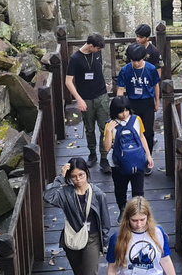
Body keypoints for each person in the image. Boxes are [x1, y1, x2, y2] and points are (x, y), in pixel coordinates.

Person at [43, 157, 110, 275]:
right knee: (78, 272)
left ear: (87, 173)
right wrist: (60, 177)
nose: (78, 179)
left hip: (92, 238)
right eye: (74, 176)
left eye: (81, 175)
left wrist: (104, 243)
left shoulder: (98, 194)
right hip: (72, 236)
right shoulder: (66, 193)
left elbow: (105, 221)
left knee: (90, 272)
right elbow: (48, 196)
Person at [65, 33, 110, 173]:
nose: (99, 51)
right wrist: (78, 98)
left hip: (101, 95)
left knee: (105, 127)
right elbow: (68, 81)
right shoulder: (75, 58)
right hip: (85, 97)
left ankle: (104, 157)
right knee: (89, 128)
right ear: (90, 46)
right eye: (97, 48)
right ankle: (92, 153)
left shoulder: (97, 53)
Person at [103, 96, 154, 220]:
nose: (124, 114)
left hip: (137, 160)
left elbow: (142, 137)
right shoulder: (110, 125)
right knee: (120, 189)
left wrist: (148, 155)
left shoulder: (136, 119)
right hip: (118, 164)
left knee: (138, 191)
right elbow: (106, 148)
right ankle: (122, 209)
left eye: (126, 110)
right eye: (121, 111)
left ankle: (138, 213)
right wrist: (109, 131)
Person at [117, 43, 160, 176]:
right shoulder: (125, 70)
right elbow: (120, 88)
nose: (136, 63)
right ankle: (133, 156)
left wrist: (157, 101)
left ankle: (148, 158)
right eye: (133, 61)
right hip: (132, 103)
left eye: (138, 60)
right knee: (131, 131)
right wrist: (119, 105)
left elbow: (155, 85)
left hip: (147, 102)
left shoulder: (151, 68)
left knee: (148, 132)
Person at [106, 196, 176, 275]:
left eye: (142, 220)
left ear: (148, 217)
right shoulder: (117, 237)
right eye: (134, 220)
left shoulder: (158, 232)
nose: (139, 224)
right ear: (127, 219)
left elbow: (165, 260)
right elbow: (112, 267)